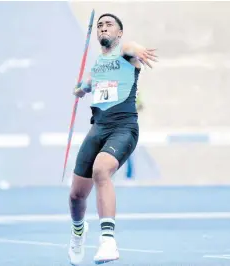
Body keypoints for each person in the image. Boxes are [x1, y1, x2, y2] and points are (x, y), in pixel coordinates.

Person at [68, 13, 157, 265]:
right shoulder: (97, 65)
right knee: (75, 196)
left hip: (123, 128)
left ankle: (108, 240)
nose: (103, 28)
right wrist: (80, 89)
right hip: (98, 129)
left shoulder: (126, 55)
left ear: (118, 33)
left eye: (108, 25)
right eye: (99, 26)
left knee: (101, 169)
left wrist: (138, 48)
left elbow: (132, 48)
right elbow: (86, 85)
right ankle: (78, 232)